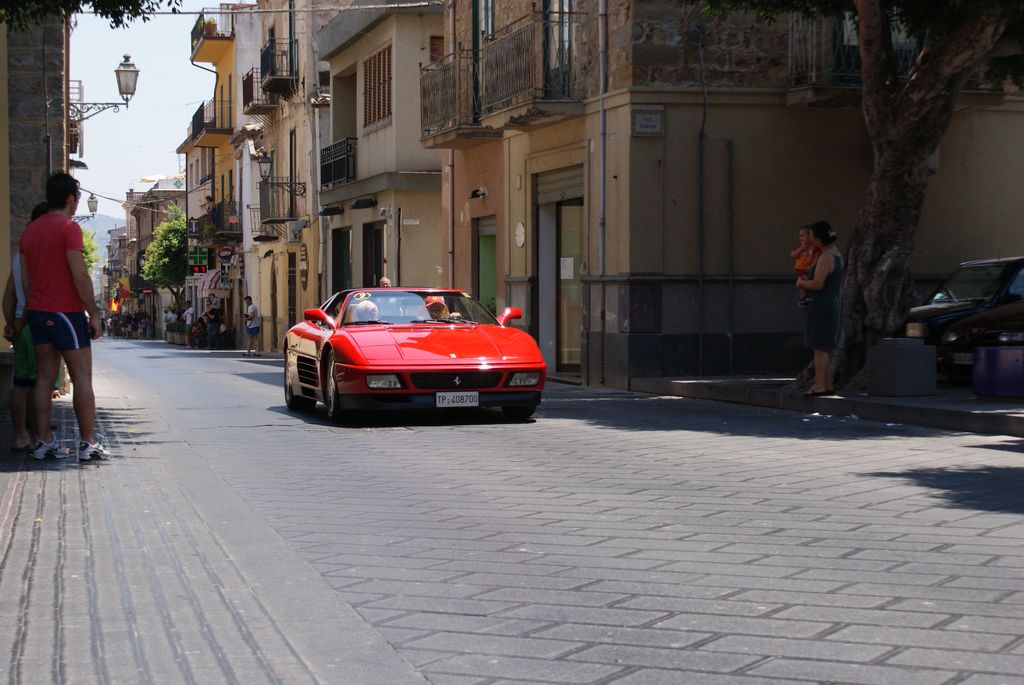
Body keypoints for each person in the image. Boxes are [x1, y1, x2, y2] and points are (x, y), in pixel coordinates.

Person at [18, 173, 109, 461]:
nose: (78, 202)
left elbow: (26, 280)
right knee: (82, 376)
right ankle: (88, 442)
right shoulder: (70, 228)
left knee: (44, 377)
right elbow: (79, 274)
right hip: (66, 312)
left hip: (38, 311)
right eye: (78, 197)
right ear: (70, 198)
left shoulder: (30, 231)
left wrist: (33, 307)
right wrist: (93, 313)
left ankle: (43, 440)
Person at [3, 202, 51, 452]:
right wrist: (22, 322)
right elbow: (35, 292)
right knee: (37, 383)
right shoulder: (37, 253)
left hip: (21, 325)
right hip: (35, 323)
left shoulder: (18, 255)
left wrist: (11, 323)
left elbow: (8, 295)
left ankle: (21, 435)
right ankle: (35, 436)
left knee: (21, 383)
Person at [797, 221, 843, 397]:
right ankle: (827, 384)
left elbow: (817, 284)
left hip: (821, 305)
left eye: (810, 235)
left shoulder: (826, 257)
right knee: (827, 347)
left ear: (817, 238)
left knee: (819, 347)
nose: (808, 238)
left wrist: (801, 283)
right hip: (831, 304)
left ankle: (819, 385)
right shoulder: (835, 254)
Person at [790, 226, 819, 308]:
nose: (801, 238)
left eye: (803, 236)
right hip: (801, 269)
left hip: (810, 269)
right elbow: (792, 255)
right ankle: (802, 299)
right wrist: (800, 250)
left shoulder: (814, 247)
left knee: (809, 281)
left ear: (810, 236)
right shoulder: (800, 246)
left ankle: (807, 297)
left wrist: (812, 266)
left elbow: (816, 258)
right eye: (800, 236)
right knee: (804, 281)